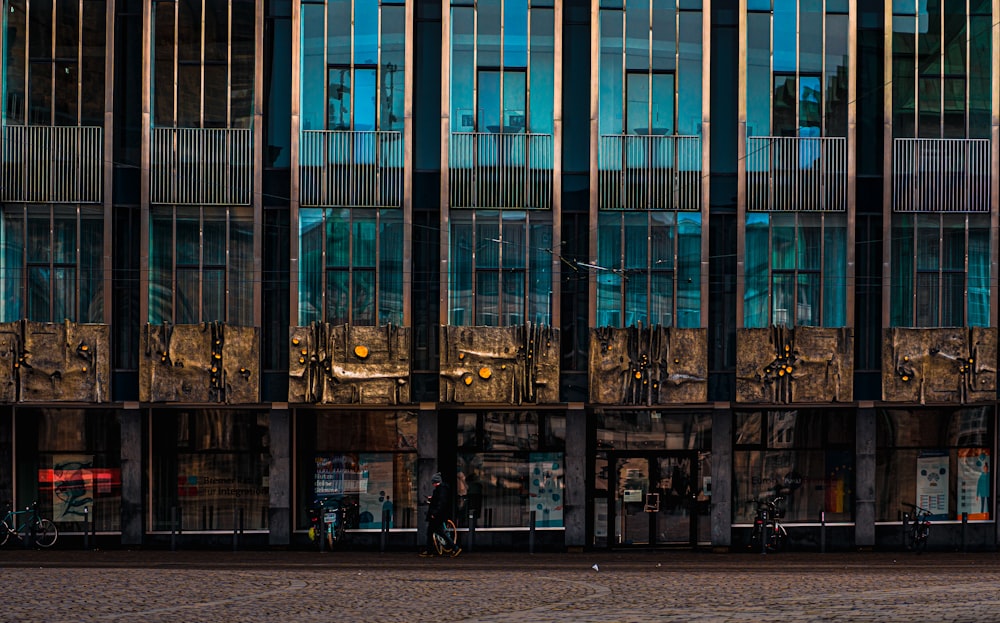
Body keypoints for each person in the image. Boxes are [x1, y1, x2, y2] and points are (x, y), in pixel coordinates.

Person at [420, 472, 461, 557]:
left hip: (437, 516)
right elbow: (439, 501)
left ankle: (454, 548)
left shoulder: (440, 490)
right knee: (432, 532)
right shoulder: (441, 489)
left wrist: (434, 513)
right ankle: (429, 551)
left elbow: (441, 503)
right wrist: (433, 498)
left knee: (437, 532)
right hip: (438, 515)